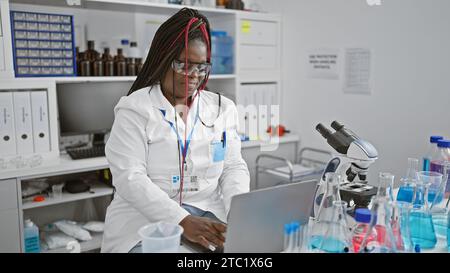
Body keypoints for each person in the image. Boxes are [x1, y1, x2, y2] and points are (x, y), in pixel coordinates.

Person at [101, 8, 250, 253]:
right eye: (183, 65)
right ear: (163, 58)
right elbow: (130, 178)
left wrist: (239, 209)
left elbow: (233, 166)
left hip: (207, 212)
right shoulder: (135, 109)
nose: (193, 76)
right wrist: (182, 220)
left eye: (201, 68)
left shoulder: (222, 108)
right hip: (145, 221)